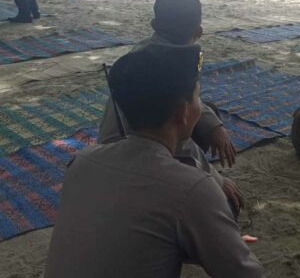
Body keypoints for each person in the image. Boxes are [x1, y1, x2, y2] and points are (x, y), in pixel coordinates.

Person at [45, 45, 266, 278]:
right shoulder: (192, 189)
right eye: (198, 97)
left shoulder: (82, 161)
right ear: (183, 113)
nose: (201, 107)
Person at [99, 0, 239, 170]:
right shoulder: (167, 65)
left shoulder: (144, 54)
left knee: (207, 112)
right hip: (131, 153)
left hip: (123, 146)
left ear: (154, 25)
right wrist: (215, 178)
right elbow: (165, 136)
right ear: (199, 32)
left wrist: (214, 126)